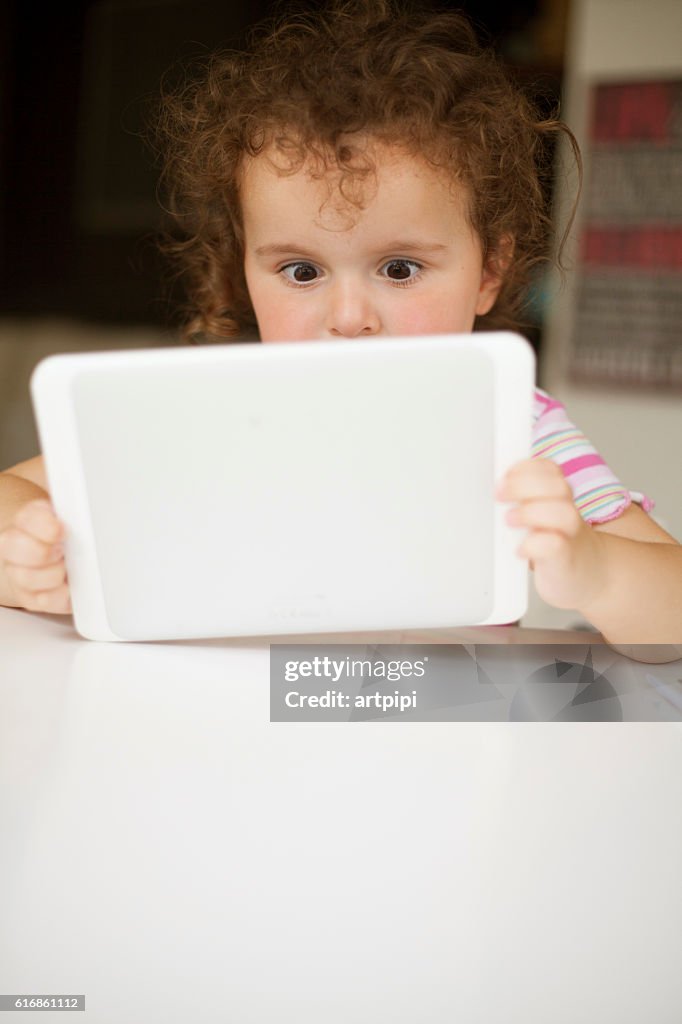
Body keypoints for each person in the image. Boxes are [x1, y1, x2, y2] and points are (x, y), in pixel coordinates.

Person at [0, 0, 679, 643]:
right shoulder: (209, 409)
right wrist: (26, 547)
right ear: (245, 270)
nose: (349, 318)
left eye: (400, 268)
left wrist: (595, 568)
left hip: (427, 731)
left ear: (490, 271)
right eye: (301, 272)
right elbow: (14, 493)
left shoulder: (516, 430)